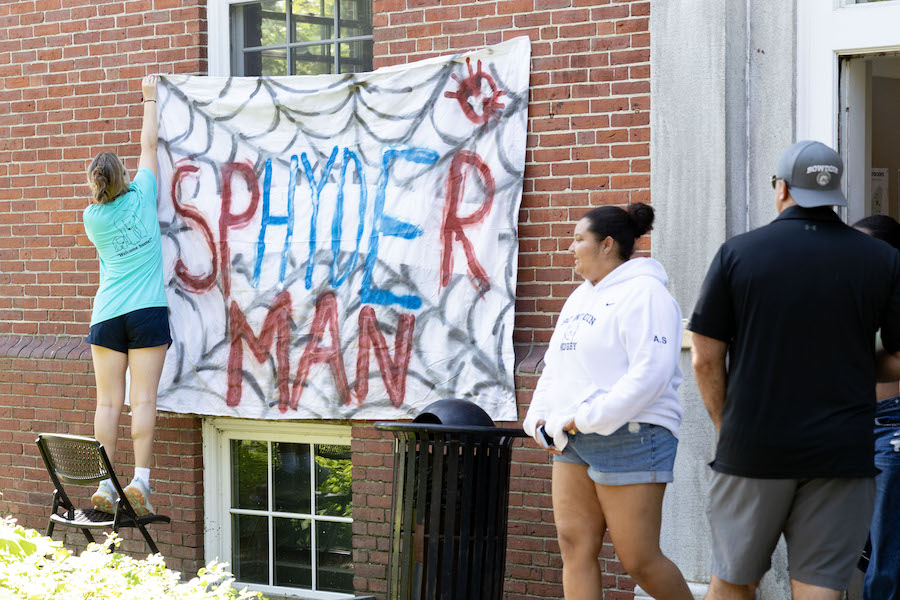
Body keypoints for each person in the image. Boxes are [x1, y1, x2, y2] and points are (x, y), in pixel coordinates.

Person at [689, 140, 900, 600]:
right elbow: (898, 359)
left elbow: (704, 356)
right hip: (841, 451)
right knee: (821, 588)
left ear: (782, 188)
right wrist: (848, 359)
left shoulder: (738, 254)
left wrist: (728, 426)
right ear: (835, 193)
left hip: (754, 446)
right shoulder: (882, 259)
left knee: (733, 581)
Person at [523, 203, 692, 600]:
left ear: (607, 244)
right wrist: (538, 418)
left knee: (639, 561)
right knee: (574, 545)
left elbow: (651, 374)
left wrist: (586, 417)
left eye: (579, 239)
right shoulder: (579, 298)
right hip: (572, 439)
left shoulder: (647, 293)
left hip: (632, 436)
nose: (570, 247)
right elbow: (555, 366)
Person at [82, 74, 168, 517]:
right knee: (143, 401)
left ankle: (104, 485)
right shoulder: (145, 195)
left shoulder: (92, 219)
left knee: (108, 403)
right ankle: (140, 481)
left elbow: (109, 194)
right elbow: (149, 146)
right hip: (148, 312)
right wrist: (150, 97)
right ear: (124, 177)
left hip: (107, 315)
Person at [852, 214, 900, 600]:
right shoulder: (849, 297)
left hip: (892, 427)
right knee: (865, 550)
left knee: (886, 556)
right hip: (850, 427)